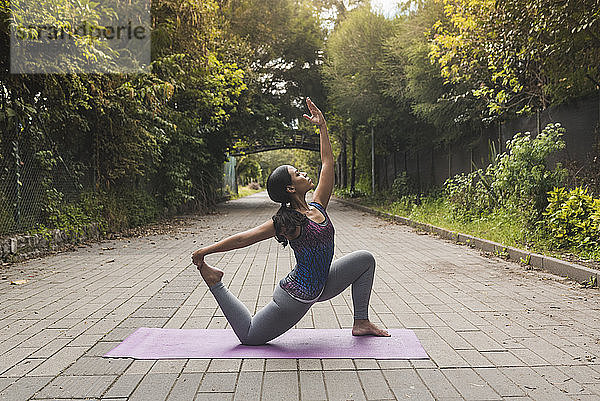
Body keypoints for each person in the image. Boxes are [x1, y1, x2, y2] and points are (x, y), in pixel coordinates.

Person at [191, 97, 389, 345]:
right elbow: (244, 238)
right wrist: (206, 251)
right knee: (250, 336)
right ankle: (215, 282)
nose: (303, 173)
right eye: (297, 173)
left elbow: (328, 162)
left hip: (323, 283)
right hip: (298, 295)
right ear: (290, 188)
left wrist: (322, 127)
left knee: (365, 259)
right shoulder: (289, 223)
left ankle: (361, 322)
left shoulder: (318, 206)